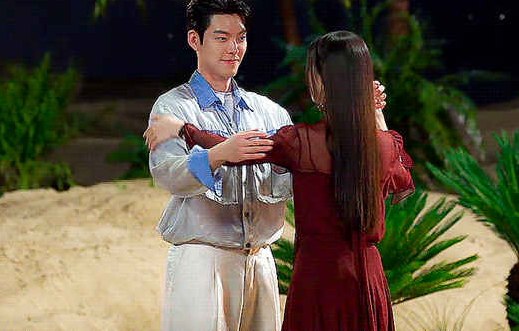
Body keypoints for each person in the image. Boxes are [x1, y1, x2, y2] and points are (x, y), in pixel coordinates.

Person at [146, 30, 415, 331]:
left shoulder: (303, 143)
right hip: (369, 280)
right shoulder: (386, 145)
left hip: (318, 280)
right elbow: (400, 177)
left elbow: (238, 149)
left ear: (321, 81)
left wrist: (183, 129)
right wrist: (374, 112)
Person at [146, 0, 294, 331]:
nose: (234, 48)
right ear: (194, 40)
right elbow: (168, 173)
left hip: (261, 261)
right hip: (202, 259)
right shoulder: (172, 107)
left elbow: (293, 177)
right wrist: (217, 155)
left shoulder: (270, 112)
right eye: (222, 38)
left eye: (241, 38)